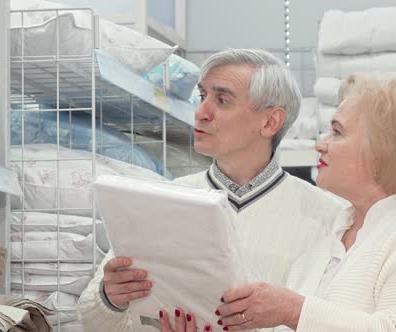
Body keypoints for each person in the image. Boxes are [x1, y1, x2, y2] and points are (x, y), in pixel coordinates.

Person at [77, 49, 346, 331]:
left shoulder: (329, 218)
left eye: (222, 100)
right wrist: (111, 298)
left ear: (270, 122)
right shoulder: (161, 201)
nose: (201, 112)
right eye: (202, 95)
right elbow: (90, 318)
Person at [206, 72, 396, 331]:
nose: (320, 144)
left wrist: (294, 311)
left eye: (337, 132)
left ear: (384, 147)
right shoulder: (322, 249)